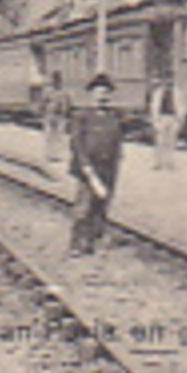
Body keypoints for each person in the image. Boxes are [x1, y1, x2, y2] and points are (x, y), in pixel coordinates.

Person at [68, 72, 123, 255]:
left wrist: (116, 165)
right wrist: (86, 167)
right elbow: (76, 143)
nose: (102, 96)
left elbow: (117, 142)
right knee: (84, 206)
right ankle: (76, 243)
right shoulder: (81, 116)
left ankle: (93, 241)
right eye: (99, 93)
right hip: (88, 168)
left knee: (102, 206)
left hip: (108, 168)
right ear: (91, 94)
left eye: (106, 93)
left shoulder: (113, 116)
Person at [41, 71, 72, 176]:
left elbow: (68, 104)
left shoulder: (64, 92)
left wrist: (67, 113)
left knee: (59, 135)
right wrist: (43, 111)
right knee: (50, 135)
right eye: (55, 80)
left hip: (60, 116)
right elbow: (43, 102)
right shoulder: (49, 91)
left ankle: (57, 155)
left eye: (57, 80)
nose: (56, 82)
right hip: (50, 115)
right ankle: (50, 154)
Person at [148, 77, 179, 171]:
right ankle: (157, 163)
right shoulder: (158, 93)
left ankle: (170, 163)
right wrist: (155, 120)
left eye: (171, 82)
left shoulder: (177, 93)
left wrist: (180, 120)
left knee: (171, 142)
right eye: (167, 82)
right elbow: (153, 107)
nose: (169, 84)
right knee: (159, 142)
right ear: (164, 82)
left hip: (172, 118)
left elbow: (181, 106)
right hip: (161, 117)